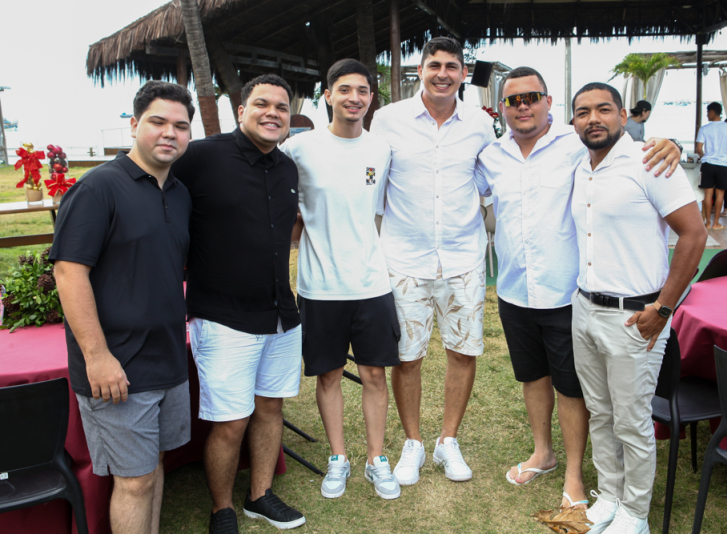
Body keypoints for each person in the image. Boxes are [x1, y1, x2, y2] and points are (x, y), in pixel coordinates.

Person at [475, 68, 680, 511]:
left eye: (532, 97)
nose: (523, 106)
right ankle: (542, 453)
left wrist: (671, 144)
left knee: (571, 386)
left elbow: (628, 146)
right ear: (502, 108)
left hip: (569, 292)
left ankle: (573, 473)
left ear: (550, 103)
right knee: (532, 376)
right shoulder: (491, 156)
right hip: (512, 289)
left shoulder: (577, 142)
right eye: (513, 100)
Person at [51, 81, 194, 534]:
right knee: (132, 482)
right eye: (157, 122)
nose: (169, 133)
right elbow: (69, 274)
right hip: (116, 366)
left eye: (180, 126)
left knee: (152, 467)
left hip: (168, 357)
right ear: (133, 125)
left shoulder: (179, 193)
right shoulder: (98, 189)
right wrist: (97, 355)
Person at [171, 74, 305, 533]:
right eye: (262, 104)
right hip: (222, 317)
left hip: (281, 316)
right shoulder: (200, 157)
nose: (272, 113)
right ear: (242, 110)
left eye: (282, 108)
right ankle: (222, 508)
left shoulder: (287, 168)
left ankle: (261, 495)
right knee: (230, 422)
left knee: (271, 409)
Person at [570, 82, 706, 534]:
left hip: (635, 317)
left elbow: (694, 235)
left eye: (604, 109)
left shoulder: (652, 162)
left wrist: (663, 309)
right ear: (573, 122)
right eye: (583, 111)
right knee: (600, 411)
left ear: (623, 114)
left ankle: (636, 513)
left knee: (631, 419)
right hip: (585, 309)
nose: (594, 118)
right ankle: (610, 495)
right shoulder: (580, 167)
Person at [369, 36, 495, 485]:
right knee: (407, 357)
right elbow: (368, 182)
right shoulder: (386, 120)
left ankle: (448, 442)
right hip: (404, 258)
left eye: (452, 65)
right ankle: (413, 444)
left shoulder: (480, 123)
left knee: (463, 350)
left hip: (463, 257)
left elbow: (493, 180)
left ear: (463, 73)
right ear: (419, 70)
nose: (443, 72)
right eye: (434, 64)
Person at [281, 59, 401, 500]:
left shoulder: (381, 150)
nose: (355, 98)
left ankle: (375, 459)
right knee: (328, 376)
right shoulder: (300, 149)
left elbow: (376, 210)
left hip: (372, 283)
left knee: (374, 374)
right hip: (319, 287)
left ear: (371, 99)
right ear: (327, 95)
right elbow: (288, 216)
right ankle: (338, 458)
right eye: (345, 90)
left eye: (364, 91)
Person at [695, 102, 727, 229]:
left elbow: (699, 148)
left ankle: (707, 223)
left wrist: (703, 156)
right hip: (723, 164)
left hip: (708, 164)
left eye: (707, 112)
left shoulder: (704, 128)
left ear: (712, 112)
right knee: (720, 194)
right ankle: (716, 223)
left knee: (708, 195)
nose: (707, 115)